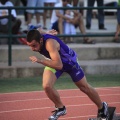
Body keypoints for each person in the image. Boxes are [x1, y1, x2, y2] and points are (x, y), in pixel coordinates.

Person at [26, 28, 109, 120]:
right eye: (30, 46)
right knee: (46, 85)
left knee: (84, 87)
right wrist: (47, 32)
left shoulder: (50, 44)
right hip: (54, 61)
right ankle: (61, 108)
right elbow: (38, 30)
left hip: (69, 63)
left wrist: (40, 61)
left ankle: (102, 107)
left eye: (34, 45)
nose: (33, 49)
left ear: (41, 40)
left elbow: (59, 65)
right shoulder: (38, 36)